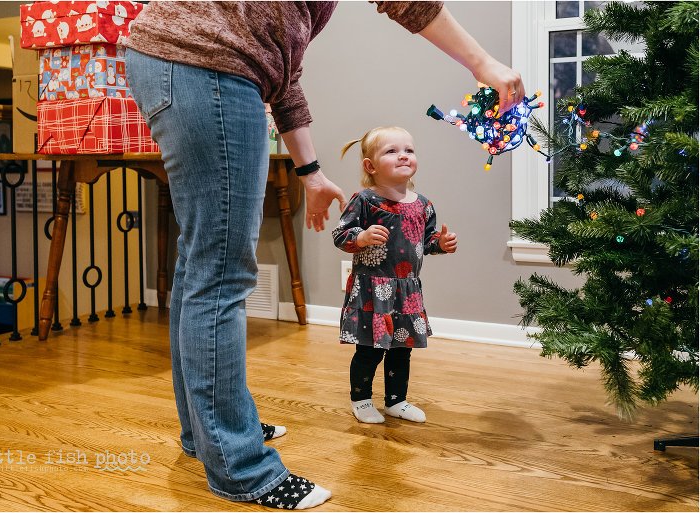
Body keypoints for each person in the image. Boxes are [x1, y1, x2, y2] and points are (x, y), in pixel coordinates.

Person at [124, 1, 524, 509]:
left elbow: (283, 79)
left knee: (200, 262)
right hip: (207, 67)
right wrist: (482, 64)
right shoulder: (225, 38)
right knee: (220, 272)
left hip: (192, 67)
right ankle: (239, 465)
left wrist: (310, 172)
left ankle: (208, 433)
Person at [333, 126, 458, 425]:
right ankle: (361, 399)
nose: (403, 155)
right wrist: (361, 237)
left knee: (403, 349)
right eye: (391, 151)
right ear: (370, 166)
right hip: (373, 290)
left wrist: (439, 244)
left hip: (407, 291)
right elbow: (340, 235)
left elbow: (425, 243)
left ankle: (396, 400)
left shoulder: (423, 204)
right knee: (370, 350)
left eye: (409, 150)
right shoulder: (364, 200)